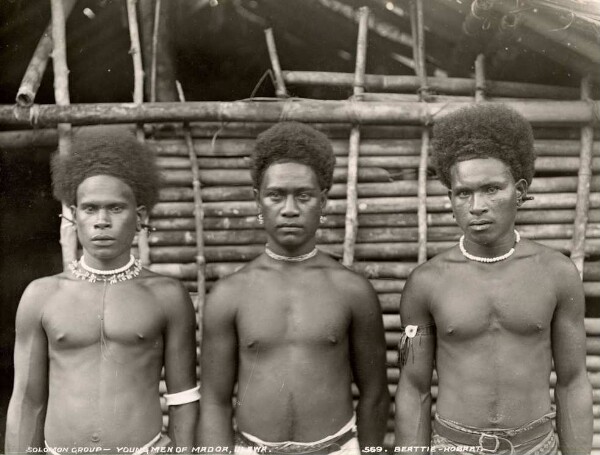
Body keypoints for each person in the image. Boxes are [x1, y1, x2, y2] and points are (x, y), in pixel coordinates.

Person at [394, 104, 592, 455]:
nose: (477, 205)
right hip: (452, 446)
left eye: (491, 189)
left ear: (519, 190)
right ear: (451, 199)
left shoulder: (556, 273)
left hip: (536, 447)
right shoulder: (426, 282)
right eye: (463, 193)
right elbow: (413, 387)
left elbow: (573, 381)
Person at [198, 122, 388, 454]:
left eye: (303, 195)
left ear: (323, 201)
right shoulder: (230, 294)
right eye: (276, 195)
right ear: (258, 201)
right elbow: (214, 400)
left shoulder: (352, 291)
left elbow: (375, 395)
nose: (289, 209)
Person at [5, 127, 199, 454]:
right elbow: (27, 400)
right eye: (90, 209)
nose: (101, 221)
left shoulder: (166, 296)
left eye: (115, 208)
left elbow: (183, 399)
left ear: (139, 217)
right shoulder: (42, 296)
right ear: (72, 215)